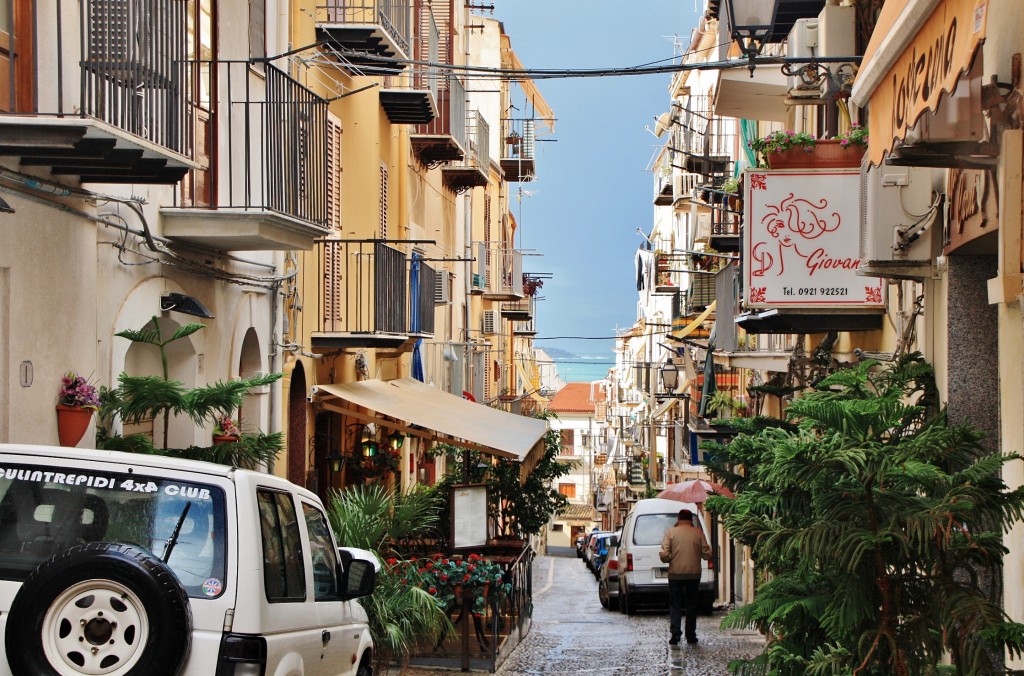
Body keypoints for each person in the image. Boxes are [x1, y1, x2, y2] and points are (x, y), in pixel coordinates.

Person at [659, 508, 712, 646]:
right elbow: (707, 554)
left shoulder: (671, 532)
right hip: (694, 575)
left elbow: (664, 555)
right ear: (691, 519)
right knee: (691, 605)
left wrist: (671, 558)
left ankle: (675, 634)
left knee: (675, 605)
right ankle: (691, 635)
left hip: (675, 574)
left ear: (678, 519)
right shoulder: (698, 533)